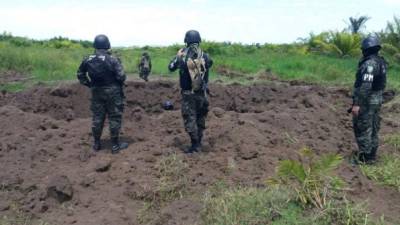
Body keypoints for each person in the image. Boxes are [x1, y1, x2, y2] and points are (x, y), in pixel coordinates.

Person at [77, 34, 129, 154]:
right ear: (107, 45)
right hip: (113, 92)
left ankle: (96, 144)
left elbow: (80, 75)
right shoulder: (112, 59)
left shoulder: (87, 59)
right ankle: (115, 145)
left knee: (97, 117)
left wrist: (90, 85)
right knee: (114, 117)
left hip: (96, 92)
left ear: (95, 45)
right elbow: (122, 77)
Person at [168, 30, 213, 153]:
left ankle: (195, 145)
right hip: (202, 93)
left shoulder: (182, 56)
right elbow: (210, 64)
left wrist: (178, 56)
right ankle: (199, 140)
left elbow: (170, 67)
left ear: (186, 41)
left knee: (190, 118)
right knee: (200, 117)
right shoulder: (205, 55)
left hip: (188, 94)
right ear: (199, 40)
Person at [351, 36, 387, 164]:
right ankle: (371, 155)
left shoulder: (369, 64)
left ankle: (364, 158)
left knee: (363, 127)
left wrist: (357, 104)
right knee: (373, 127)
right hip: (377, 100)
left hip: (367, 101)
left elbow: (366, 86)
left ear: (366, 49)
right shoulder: (380, 62)